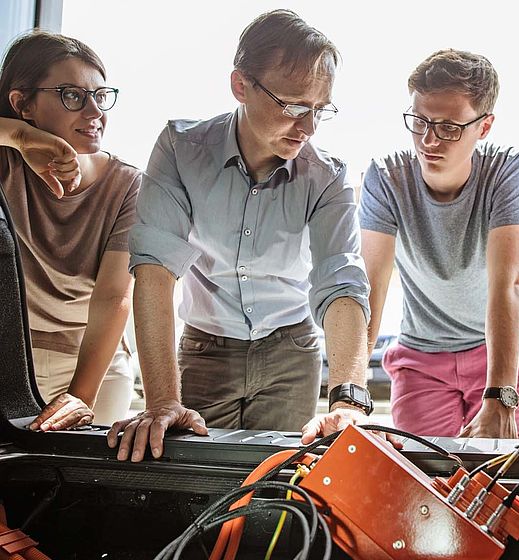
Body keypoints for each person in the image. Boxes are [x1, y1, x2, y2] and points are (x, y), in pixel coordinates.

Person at [107, 9, 380, 463]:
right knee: (193, 484)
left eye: (319, 110)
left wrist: (349, 399)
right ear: (241, 85)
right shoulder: (180, 149)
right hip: (205, 347)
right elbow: (155, 269)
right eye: (293, 106)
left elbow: (341, 283)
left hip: (292, 351)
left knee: (277, 489)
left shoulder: (328, 175)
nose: (308, 127)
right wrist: (160, 401)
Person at [360, 49, 519, 439]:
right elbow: (370, 287)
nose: (428, 140)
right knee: (420, 477)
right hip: (420, 354)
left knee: (495, 477)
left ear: (485, 126)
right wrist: (351, 393)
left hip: (498, 354)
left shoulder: (506, 170)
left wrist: (500, 395)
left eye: (448, 127)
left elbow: (508, 282)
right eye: (420, 121)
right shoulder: (385, 178)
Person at [0, 31, 140, 429]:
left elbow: (114, 296)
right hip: (11, 360)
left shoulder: (128, 184)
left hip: (94, 365)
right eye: (73, 95)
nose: (94, 112)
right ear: (22, 103)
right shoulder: (5, 166)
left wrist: (79, 397)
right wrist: (20, 137)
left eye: (100, 95)